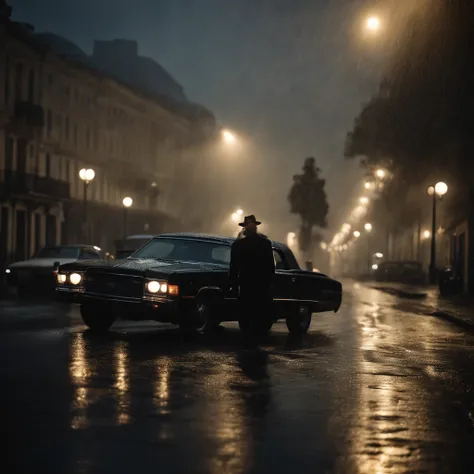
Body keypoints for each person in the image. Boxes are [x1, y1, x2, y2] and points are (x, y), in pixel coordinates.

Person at [229, 215, 275, 348]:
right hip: (258, 285)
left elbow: (234, 267)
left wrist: (232, 284)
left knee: (247, 314)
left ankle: (249, 341)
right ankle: (255, 341)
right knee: (257, 313)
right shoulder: (265, 243)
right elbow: (270, 267)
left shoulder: (238, 245)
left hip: (248, 284)